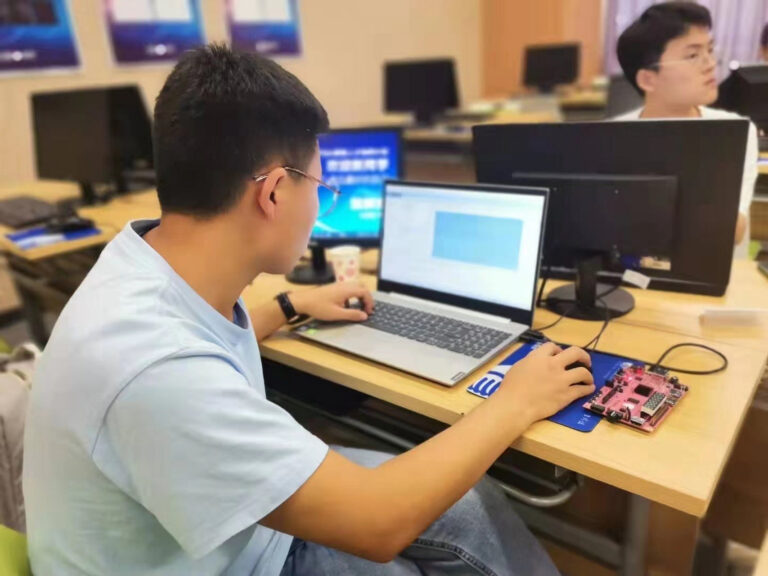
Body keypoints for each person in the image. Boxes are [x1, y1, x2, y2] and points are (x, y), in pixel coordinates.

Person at [23, 44, 595, 575]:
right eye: (320, 185)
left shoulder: (149, 262)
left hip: (228, 532)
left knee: (470, 502)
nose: (321, 201)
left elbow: (200, 342)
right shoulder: (157, 368)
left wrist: (292, 304)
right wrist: (514, 402)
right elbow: (378, 524)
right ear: (273, 193)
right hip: (243, 561)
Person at [615, 1, 757, 256]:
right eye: (693, 55)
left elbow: (733, 232)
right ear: (648, 79)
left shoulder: (734, 132)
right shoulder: (612, 137)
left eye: (710, 50)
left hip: (718, 272)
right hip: (630, 272)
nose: (710, 63)